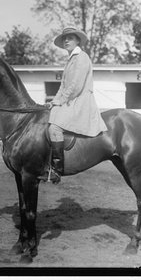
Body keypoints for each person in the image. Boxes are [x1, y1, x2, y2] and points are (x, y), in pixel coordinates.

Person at [43, 27, 108, 183]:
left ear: (78, 40)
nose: (66, 41)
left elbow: (76, 86)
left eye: (70, 38)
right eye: (64, 38)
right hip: (71, 99)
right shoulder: (70, 59)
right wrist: (54, 101)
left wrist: (61, 101)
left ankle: (57, 170)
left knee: (55, 127)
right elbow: (63, 86)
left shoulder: (82, 57)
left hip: (81, 101)